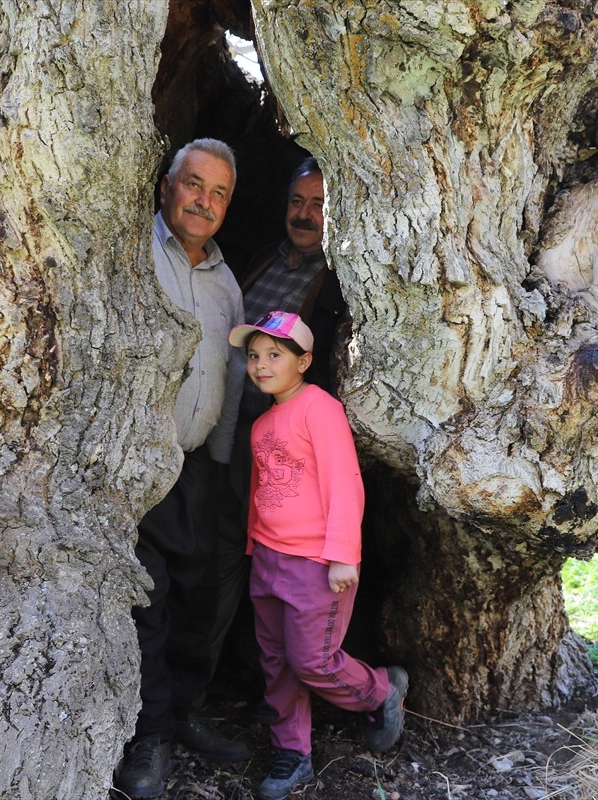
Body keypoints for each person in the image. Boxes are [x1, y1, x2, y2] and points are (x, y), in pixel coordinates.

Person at [115, 138, 249, 800]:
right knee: (149, 600)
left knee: (200, 596)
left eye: (219, 192)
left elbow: (233, 376)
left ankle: (185, 711)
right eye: (194, 184)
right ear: (167, 184)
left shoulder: (226, 283)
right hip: (139, 463)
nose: (204, 201)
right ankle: (150, 735)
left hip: (199, 467)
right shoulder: (134, 253)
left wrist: (220, 467)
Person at [227, 310, 407, 800]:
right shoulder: (262, 424)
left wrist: (343, 554)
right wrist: (254, 546)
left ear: (304, 361)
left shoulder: (319, 409)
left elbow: (343, 482)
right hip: (269, 559)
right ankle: (293, 753)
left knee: (313, 660)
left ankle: (381, 690)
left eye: (275, 354)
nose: (262, 365)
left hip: (316, 562)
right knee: (276, 660)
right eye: (254, 356)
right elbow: (262, 492)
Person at [207, 157, 349, 688]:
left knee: (272, 561)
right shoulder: (264, 258)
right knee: (226, 549)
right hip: (230, 431)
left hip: (289, 447)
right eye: (297, 201)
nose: (305, 214)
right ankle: (225, 672)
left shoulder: (339, 279)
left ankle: (272, 674)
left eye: (319, 205)